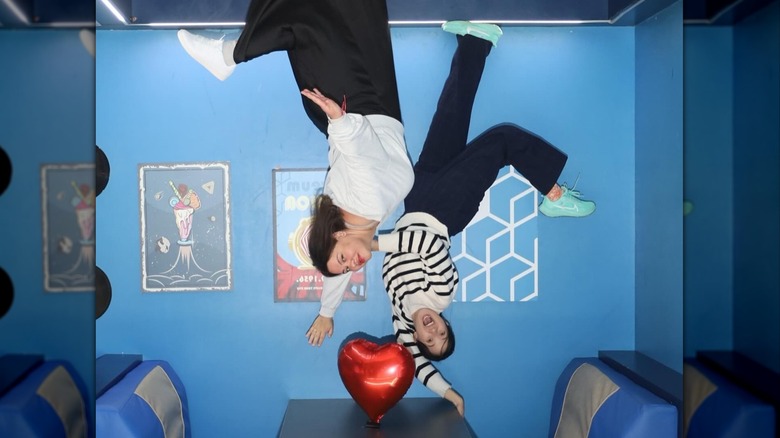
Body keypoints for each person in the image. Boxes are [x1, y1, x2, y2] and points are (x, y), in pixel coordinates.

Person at [341, 26, 594, 415]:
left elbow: (419, 369)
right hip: (446, 211)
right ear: (445, 321)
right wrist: (370, 245)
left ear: (419, 340)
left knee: (451, 112)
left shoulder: (400, 317)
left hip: (418, 196)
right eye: (442, 331)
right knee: (503, 141)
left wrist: (449, 394)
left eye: (430, 338)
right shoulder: (443, 293)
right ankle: (554, 196)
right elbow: (423, 245)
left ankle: (476, 43)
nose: (433, 329)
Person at [176, 0, 414, 343]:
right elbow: (335, 273)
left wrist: (339, 120)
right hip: (379, 102)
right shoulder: (365, 221)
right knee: (362, 10)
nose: (353, 266)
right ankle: (232, 54)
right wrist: (327, 312)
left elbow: (360, 154)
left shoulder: (363, 202)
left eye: (344, 259)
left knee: (309, 22)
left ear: (338, 236)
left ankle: (228, 56)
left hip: (350, 106)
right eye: (348, 266)